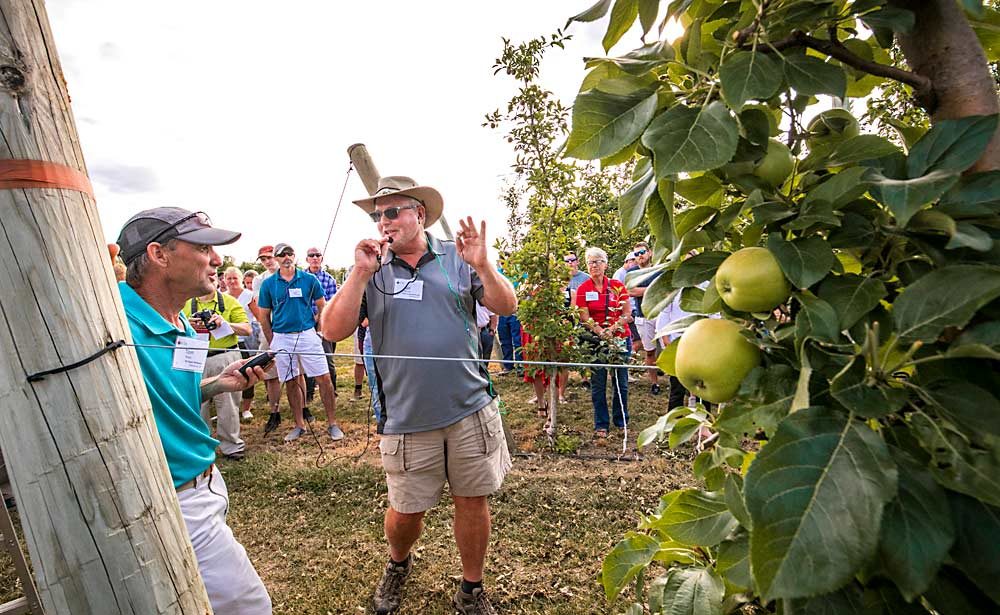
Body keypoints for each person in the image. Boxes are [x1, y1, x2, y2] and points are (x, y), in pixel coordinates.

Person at [321, 176, 516, 615]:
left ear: (420, 214)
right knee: (406, 511)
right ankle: (398, 563)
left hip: (470, 408)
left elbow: (506, 306)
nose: (384, 221)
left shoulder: (458, 256)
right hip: (406, 414)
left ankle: (471, 587)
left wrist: (484, 266)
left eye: (393, 211)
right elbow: (332, 331)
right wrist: (358, 273)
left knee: (473, 500)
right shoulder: (370, 266)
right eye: (378, 214)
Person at [115, 206, 272, 614]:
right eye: (204, 247)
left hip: (205, 482)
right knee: (251, 607)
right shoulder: (109, 323)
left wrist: (219, 384)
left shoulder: (183, 321)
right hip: (167, 496)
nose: (217, 260)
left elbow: (170, 397)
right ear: (158, 254)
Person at [258, 243, 342, 442]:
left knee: (324, 378)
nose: (286, 257)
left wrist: (319, 330)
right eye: (281, 255)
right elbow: (263, 317)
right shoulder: (269, 284)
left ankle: (332, 423)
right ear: (276, 259)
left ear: (295, 256)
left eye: (290, 253)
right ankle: (299, 425)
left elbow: (323, 306)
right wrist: (273, 341)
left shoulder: (309, 279)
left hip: (307, 334)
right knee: (291, 381)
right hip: (281, 337)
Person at [182, 271, 251, 459]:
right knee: (197, 403)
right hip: (194, 356)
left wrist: (225, 323)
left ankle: (231, 446)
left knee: (228, 403)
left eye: (212, 278)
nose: (208, 281)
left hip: (225, 355)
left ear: (217, 281)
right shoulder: (185, 303)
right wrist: (187, 324)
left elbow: (247, 329)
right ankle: (202, 446)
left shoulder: (229, 302)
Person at [576, 246, 631, 440]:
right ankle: (601, 423)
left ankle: (622, 420)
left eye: (598, 261)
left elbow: (627, 314)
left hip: (619, 339)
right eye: (590, 262)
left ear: (606, 264)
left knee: (621, 382)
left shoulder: (617, 286)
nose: (594, 265)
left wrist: (613, 329)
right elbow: (584, 317)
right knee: (598, 384)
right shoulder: (583, 289)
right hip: (595, 341)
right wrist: (600, 332)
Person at [249, 246, 284, 433]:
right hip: (268, 329)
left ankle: (303, 408)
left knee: (297, 373)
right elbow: (262, 306)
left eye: (269, 257)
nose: (267, 262)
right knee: (270, 374)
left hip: (289, 329)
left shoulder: (290, 275)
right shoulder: (259, 280)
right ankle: (274, 411)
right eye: (263, 259)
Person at [303, 247, 339, 405]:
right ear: (307, 259)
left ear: (321, 258)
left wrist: (319, 316)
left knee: (328, 360)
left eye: (318, 255)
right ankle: (308, 394)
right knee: (307, 361)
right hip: (304, 324)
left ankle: (333, 391)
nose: (315, 258)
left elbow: (331, 303)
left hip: (324, 325)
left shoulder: (329, 279)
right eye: (311, 255)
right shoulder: (299, 277)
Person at [626, 242, 662, 395]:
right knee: (649, 352)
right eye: (636, 254)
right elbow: (630, 291)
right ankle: (654, 383)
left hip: (661, 315)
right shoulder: (632, 272)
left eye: (642, 252)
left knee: (670, 349)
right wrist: (652, 290)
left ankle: (676, 381)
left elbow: (664, 290)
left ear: (650, 253)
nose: (639, 256)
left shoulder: (659, 270)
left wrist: (643, 291)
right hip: (642, 316)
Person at [224, 266, 259, 421]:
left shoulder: (249, 295)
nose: (232, 281)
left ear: (241, 280)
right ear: (224, 280)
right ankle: (230, 407)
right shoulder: (222, 296)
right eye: (228, 278)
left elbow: (259, 316)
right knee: (229, 375)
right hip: (227, 342)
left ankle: (246, 408)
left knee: (247, 371)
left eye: (235, 278)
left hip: (247, 340)